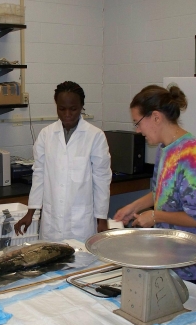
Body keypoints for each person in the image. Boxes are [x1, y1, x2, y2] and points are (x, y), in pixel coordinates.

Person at [114, 84, 196, 282]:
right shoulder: (164, 148)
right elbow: (159, 192)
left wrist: (154, 215)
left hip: (188, 264)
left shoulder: (190, 156)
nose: (138, 130)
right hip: (166, 257)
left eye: (138, 122)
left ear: (156, 117)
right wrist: (133, 207)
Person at [14, 81, 112, 243]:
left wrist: (101, 220)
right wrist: (31, 213)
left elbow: (102, 180)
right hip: (51, 220)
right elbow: (39, 175)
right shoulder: (46, 135)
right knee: (51, 262)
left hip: (81, 221)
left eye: (73, 109)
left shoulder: (95, 136)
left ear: (81, 107)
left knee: (81, 263)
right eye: (62, 108)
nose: (67, 114)